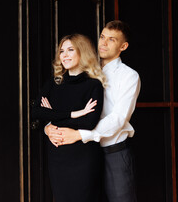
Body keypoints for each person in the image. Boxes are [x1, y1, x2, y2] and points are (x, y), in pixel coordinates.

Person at [46, 20, 141, 202]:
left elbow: (118, 119)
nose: (103, 43)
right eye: (102, 37)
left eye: (111, 40)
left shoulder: (129, 76)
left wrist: (79, 134)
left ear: (123, 46)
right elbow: (63, 104)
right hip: (81, 155)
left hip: (113, 152)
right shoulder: (83, 69)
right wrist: (49, 127)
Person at [31, 33, 106, 202]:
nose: (64, 55)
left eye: (70, 50)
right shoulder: (54, 82)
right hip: (58, 157)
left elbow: (89, 122)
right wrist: (73, 114)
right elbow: (36, 112)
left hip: (83, 157)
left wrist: (52, 118)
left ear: (83, 52)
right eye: (62, 50)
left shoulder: (94, 85)